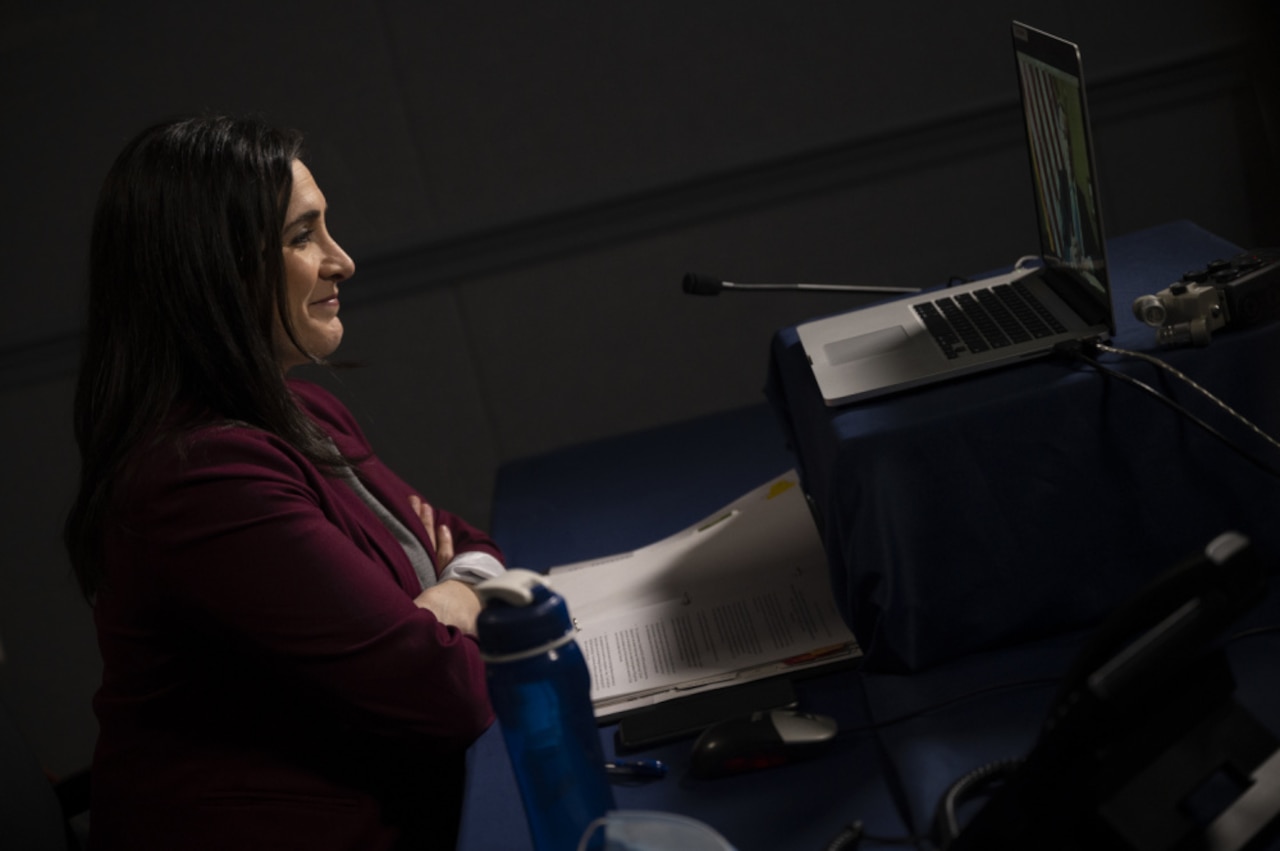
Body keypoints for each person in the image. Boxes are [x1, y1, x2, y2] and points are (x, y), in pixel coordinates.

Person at [64, 115, 507, 850]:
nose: (343, 261)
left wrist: (441, 599)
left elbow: (466, 541)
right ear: (213, 268)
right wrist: (446, 602)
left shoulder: (303, 407)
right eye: (303, 237)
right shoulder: (199, 479)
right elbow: (446, 690)